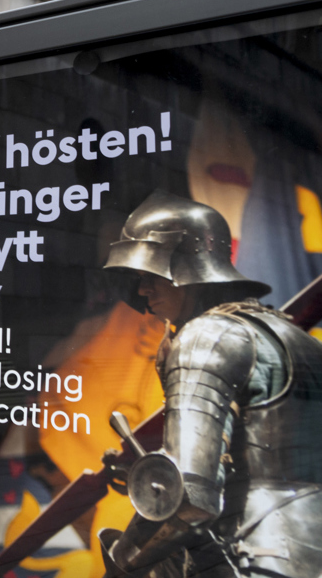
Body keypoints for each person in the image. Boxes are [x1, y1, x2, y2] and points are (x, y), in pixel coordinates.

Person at [98, 191, 322, 578]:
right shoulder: (293, 336)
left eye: (151, 274)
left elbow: (188, 497)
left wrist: (123, 558)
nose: (142, 290)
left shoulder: (205, 336)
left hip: (257, 551)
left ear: (188, 266)